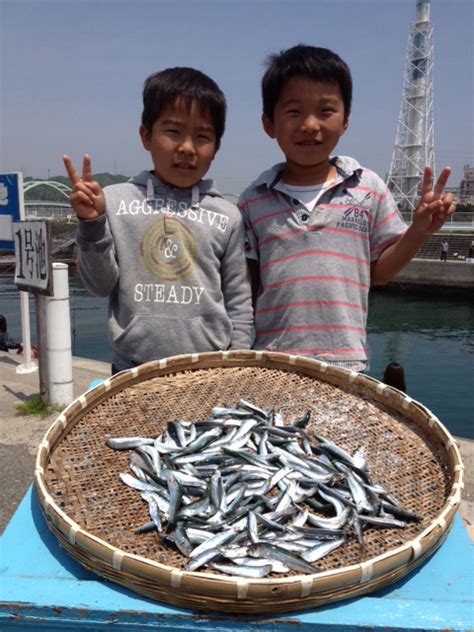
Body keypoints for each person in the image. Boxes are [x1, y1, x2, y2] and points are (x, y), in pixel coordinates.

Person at [239, 44, 455, 372]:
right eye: (294, 112)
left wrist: (418, 231)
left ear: (345, 121)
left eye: (325, 111)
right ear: (269, 124)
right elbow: (246, 290)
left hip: (346, 366)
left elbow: (380, 272)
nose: (310, 125)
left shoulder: (367, 187)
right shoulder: (253, 200)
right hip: (272, 364)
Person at [63, 67, 252, 374]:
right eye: (173, 132)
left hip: (209, 370)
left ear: (216, 147)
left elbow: (239, 300)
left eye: (202, 136)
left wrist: (237, 363)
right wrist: (92, 223)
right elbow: (98, 286)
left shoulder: (227, 215)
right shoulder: (113, 201)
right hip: (131, 369)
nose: (187, 148)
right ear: (145, 136)